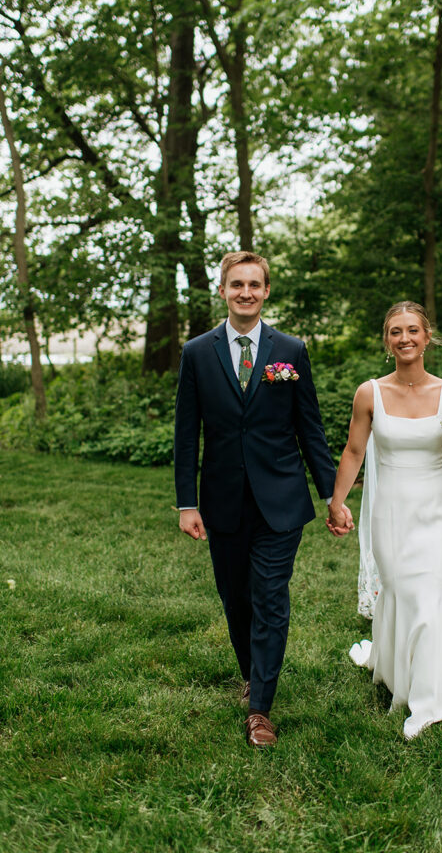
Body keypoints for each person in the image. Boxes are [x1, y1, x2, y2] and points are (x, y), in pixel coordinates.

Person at [174, 251, 352, 749]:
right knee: (236, 598)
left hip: (281, 500)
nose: (246, 292)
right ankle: (253, 672)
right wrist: (187, 502)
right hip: (222, 500)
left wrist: (332, 496)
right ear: (223, 291)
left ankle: (260, 710)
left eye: (255, 284)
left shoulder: (290, 350)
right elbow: (187, 434)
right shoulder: (196, 352)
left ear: (267, 291)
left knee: (270, 597)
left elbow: (309, 428)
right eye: (237, 285)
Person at [327, 301, 442, 739]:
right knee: (401, 594)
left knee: (427, 597)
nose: (404, 338)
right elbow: (354, 452)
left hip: (438, 512)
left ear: (427, 338)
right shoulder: (369, 392)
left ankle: (429, 703)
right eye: (394, 332)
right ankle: (393, 667)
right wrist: (337, 501)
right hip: (390, 513)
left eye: (412, 331)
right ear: (387, 342)